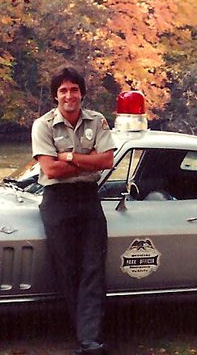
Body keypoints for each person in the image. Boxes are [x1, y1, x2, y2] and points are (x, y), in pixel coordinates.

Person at [31, 66, 116, 354]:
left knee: (93, 268)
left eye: (74, 90)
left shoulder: (97, 121)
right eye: (63, 90)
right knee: (66, 270)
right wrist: (85, 159)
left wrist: (68, 156)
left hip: (89, 198)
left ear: (82, 93)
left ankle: (89, 339)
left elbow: (106, 161)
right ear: (56, 96)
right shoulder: (42, 125)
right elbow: (50, 170)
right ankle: (84, 334)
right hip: (56, 201)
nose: (69, 95)